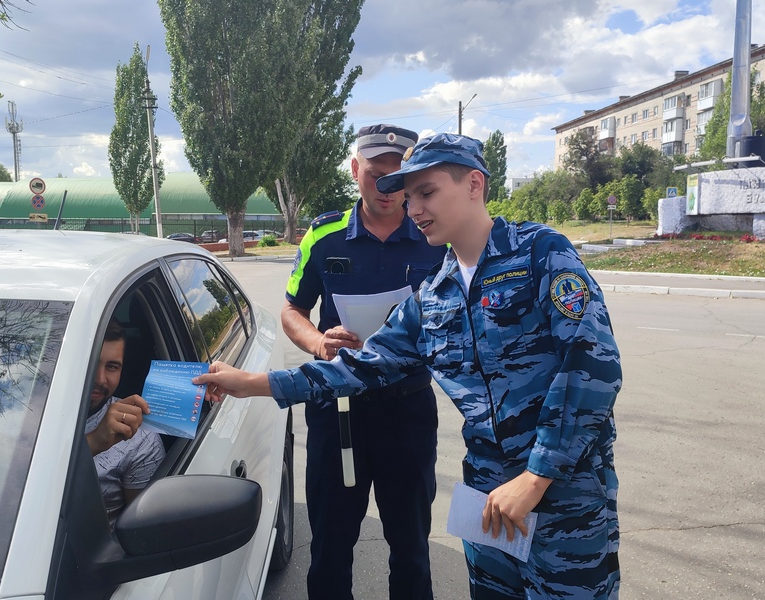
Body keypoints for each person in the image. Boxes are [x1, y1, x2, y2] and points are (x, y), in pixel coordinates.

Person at [195, 133, 622, 599]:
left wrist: (537, 476)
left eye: (427, 192)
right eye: (409, 194)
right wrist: (250, 383)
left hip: (564, 489)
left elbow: (592, 367)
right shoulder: (433, 296)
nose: (412, 207)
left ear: (474, 184)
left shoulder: (539, 254)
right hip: (487, 488)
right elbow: (359, 368)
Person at [279, 124, 447, 600]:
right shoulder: (325, 235)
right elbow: (292, 309)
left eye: (399, 177)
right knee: (330, 546)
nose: (387, 188)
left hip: (408, 410)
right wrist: (316, 343)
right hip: (339, 411)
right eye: (376, 174)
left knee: (411, 546)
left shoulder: (433, 235)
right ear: (355, 170)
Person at [85, 319, 165, 526]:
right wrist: (92, 442)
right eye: (91, 362)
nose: (100, 379)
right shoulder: (27, 411)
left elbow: (141, 531)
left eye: (112, 366)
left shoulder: (138, 436)